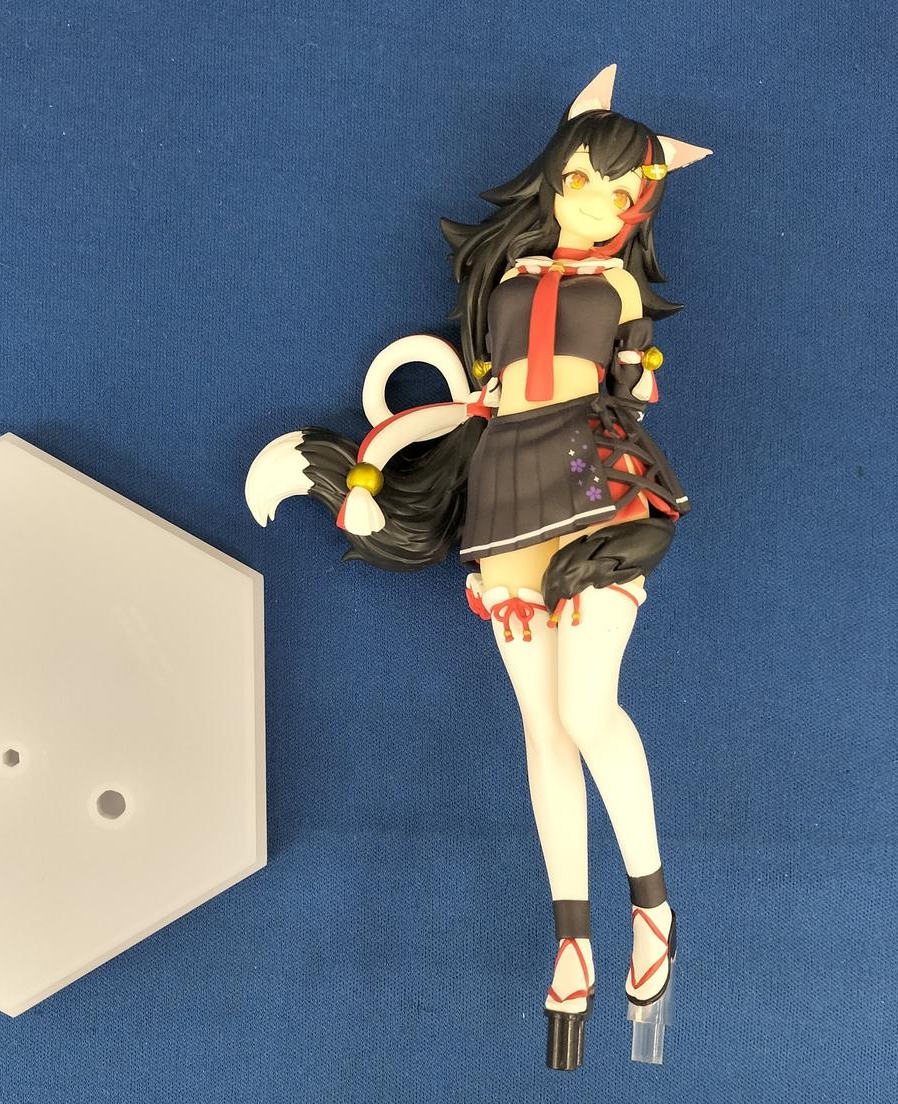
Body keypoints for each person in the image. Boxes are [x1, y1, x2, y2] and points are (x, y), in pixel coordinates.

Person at [244, 64, 710, 1070]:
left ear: (639, 208)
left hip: (587, 480)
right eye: (582, 178)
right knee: (541, 727)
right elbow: (486, 392)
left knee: (585, 709)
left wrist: (629, 372)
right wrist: (391, 456)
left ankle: (654, 909)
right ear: (553, 175)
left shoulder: (617, 285)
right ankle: (572, 943)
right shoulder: (503, 281)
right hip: (503, 492)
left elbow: (632, 392)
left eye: (621, 192)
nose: (595, 201)